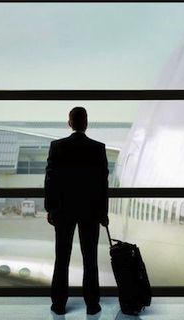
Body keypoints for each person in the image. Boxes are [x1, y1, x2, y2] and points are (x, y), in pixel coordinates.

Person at [45, 107, 109, 315]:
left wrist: (51, 208)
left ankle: (59, 304)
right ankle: (92, 304)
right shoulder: (98, 148)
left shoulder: (57, 147)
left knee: (61, 259)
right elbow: (102, 184)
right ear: (86, 123)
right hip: (90, 211)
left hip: (64, 211)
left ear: (70, 123)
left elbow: (51, 180)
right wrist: (103, 212)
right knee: (90, 259)